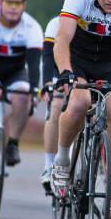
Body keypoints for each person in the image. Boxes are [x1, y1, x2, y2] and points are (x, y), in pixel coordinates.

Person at [52, 0, 111, 219]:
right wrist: (66, 72)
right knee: (78, 103)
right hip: (80, 61)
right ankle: (62, 161)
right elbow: (62, 39)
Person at [0, 0, 43, 166]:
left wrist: (34, 91)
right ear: (0, 2)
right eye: (9, 2)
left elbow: (33, 64)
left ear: (24, 5)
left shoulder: (32, 27)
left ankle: (13, 143)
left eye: (18, 3)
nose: (13, 8)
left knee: (24, 95)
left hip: (15, 72)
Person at [40, 15, 60, 191]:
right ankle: (49, 165)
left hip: (85, 68)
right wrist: (47, 84)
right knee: (56, 107)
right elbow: (47, 57)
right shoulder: (56, 23)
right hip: (58, 71)